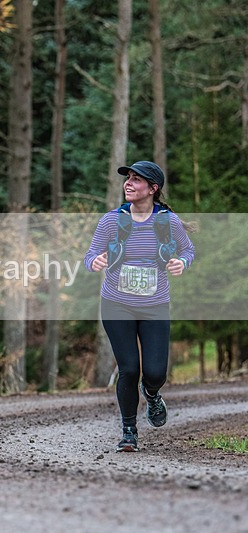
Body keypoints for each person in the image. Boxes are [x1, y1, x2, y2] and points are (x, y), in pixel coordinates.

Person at [85, 161, 195, 452]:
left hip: (155, 305)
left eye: (137, 179)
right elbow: (92, 252)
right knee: (129, 369)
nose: (129, 183)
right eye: (128, 178)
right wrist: (94, 261)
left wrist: (181, 262)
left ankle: (153, 393)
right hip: (116, 304)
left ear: (153, 188)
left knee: (156, 372)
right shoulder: (112, 220)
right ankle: (129, 431)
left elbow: (188, 249)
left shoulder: (168, 222)